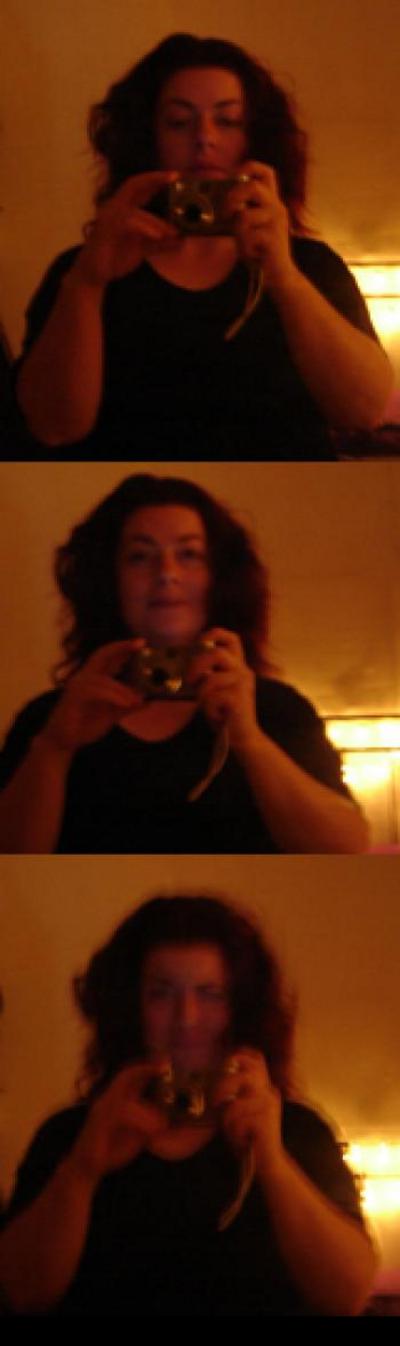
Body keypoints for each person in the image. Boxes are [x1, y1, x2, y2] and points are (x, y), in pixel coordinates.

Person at [14, 33, 392, 460]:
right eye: (179, 122)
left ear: (255, 138)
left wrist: (284, 277)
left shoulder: (308, 265)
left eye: (227, 121)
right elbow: (53, 427)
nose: (204, 138)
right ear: (148, 138)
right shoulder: (86, 268)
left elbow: (364, 410)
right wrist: (86, 284)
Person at [0, 894, 378, 1316]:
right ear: (130, 1007)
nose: (187, 1018)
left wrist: (272, 1163)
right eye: (161, 994)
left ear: (240, 1008)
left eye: (210, 993)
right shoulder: (71, 1135)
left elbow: (347, 1296)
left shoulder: (295, 1131)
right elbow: (22, 1293)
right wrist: (82, 1169)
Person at [0, 473, 368, 854]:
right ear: (109, 579)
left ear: (219, 577)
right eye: (140, 556)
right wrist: (54, 748)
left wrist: (249, 740)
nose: (166, 573)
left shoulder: (276, 710)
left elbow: (346, 848)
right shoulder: (52, 719)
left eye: (189, 554)